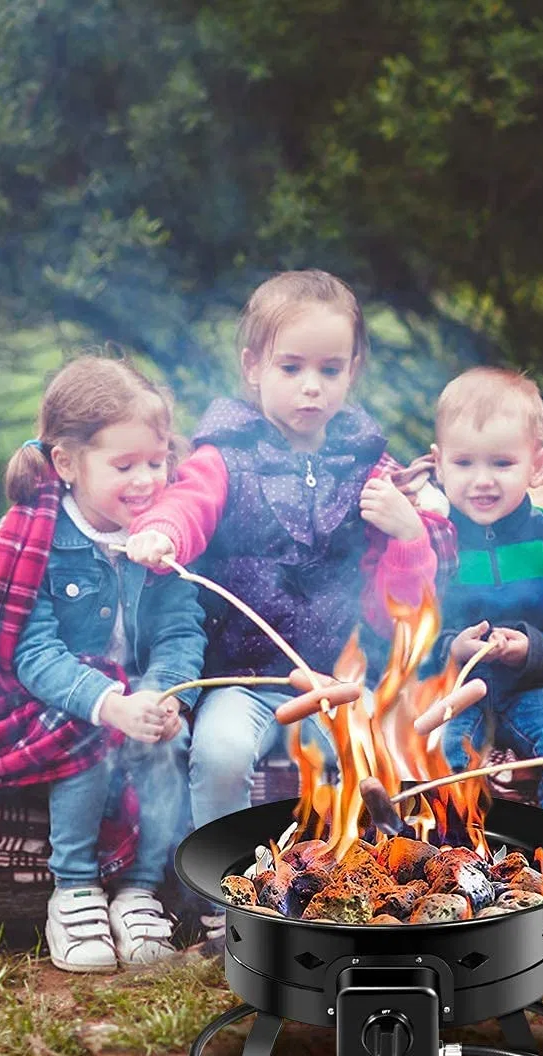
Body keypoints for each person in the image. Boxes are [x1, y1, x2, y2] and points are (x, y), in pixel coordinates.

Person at [123, 270, 450, 943]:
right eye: (292, 366)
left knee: (391, 759)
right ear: (252, 368)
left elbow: (409, 600)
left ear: (353, 371)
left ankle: (360, 895)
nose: (312, 386)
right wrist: (163, 532)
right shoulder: (225, 456)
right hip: (243, 674)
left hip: (337, 677)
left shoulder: (372, 468)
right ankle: (222, 903)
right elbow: (189, 502)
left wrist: (409, 533)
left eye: (330, 369)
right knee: (217, 755)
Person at [8, 357, 208, 972]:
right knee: (89, 737)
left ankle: (142, 893)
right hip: (65, 702)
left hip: (140, 696)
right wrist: (107, 701)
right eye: (124, 466)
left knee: (170, 743)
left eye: (156, 462)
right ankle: (74, 891)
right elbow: (32, 650)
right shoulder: (37, 539)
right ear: (66, 463)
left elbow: (180, 630)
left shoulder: (159, 538)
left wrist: (169, 695)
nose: (147, 480)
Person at [429, 367, 543, 956]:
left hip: (533, 683)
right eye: (465, 464)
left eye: (502, 464)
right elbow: (405, 630)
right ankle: (460, 889)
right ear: (438, 463)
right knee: (445, 757)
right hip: (458, 684)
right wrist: (450, 645)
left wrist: (533, 646)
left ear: (537, 464)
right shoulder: (430, 543)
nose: (482, 481)